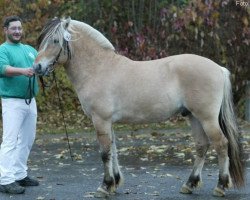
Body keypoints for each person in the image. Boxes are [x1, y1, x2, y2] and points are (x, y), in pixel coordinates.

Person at [0, 16, 39, 194]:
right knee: (10, 141)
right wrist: (24, 71)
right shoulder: (3, 50)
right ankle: (5, 179)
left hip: (31, 101)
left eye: (19, 28)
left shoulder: (29, 49)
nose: (17, 31)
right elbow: (3, 69)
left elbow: (40, 63)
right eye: (13, 28)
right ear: (5, 30)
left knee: (27, 139)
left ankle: (19, 174)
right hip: (12, 102)